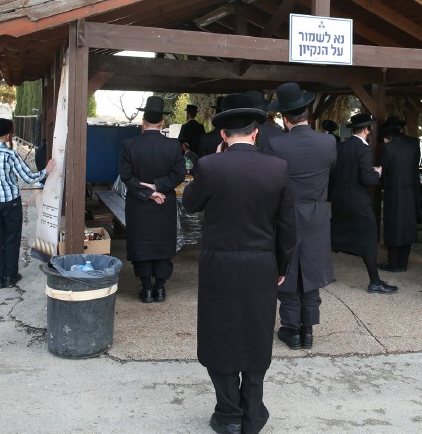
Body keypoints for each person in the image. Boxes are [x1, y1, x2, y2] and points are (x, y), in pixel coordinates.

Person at [182, 93, 296, 434]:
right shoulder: (277, 168)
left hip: (219, 266)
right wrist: (282, 267)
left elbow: (190, 204)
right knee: (256, 334)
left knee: (220, 335)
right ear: (255, 132)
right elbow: (288, 227)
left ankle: (229, 414)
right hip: (261, 264)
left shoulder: (209, 165)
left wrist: (211, 163)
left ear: (223, 135)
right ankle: (253, 412)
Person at [265, 82, 337, 350]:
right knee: (312, 271)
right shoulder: (328, 142)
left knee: (286, 271)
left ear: (285, 118)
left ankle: (291, 329)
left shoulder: (275, 144)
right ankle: (308, 330)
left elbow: (269, 181)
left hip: (287, 214)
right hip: (317, 214)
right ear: (307, 112)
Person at [0, 118, 56, 289]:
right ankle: (10, 277)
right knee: (11, 239)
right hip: (10, 204)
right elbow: (28, 177)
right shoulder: (10, 155)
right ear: (9, 135)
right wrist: (46, 170)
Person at [119, 96, 186, 303]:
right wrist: (158, 187)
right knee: (162, 244)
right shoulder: (174, 146)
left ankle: (147, 289)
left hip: (138, 204)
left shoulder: (129, 145)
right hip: (164, 202)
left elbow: (126, 177)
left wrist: (147, 192)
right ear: (162, 122)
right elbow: (179, 175)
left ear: (143, 121)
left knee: (141, 244)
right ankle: (160, 288)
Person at [330, 112, 397, 294]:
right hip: (357, 200)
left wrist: (369, 170)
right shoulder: (364, 149)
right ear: (367, 129)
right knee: (368, 237)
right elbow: (368, 179)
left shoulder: (341, 146)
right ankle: (375, 282)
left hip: (340, 198)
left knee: (334, 233)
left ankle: (320, 271)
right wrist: (377, 173)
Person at [377, 116, 421, 272]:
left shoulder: (389, 148)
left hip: (393, 191)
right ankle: (403, 263)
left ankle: (393, 264)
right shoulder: (414, 144)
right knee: (407, 227)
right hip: (411, 190)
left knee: (393, 227)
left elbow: (383, 170)